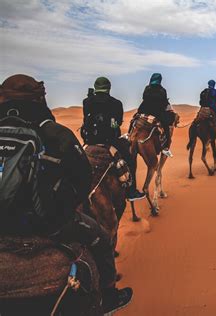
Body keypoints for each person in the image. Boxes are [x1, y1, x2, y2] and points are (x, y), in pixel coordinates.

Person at [0, 74, 132, 313]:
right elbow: (82, 179)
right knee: (101, 239)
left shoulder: (87, 101)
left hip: (87, 141)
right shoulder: (55, 132)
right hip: (47, 224)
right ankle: (109, 295)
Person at [82, 76, 145, 201]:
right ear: (109, 88)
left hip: (89, 141)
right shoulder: (116, 103)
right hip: (110, 141)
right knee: (130, 157)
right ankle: (131, 191)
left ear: (95, 88)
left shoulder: (86, 101)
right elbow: (117, 123)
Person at [137, 73, 176, 157]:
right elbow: (164, 102)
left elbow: (144, 97)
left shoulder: (147, 88)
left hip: (144, 110)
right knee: (166, 127)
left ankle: (129, 135)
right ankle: (166, 148)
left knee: (135, 120)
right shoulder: (162, 90)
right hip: (157, 113)